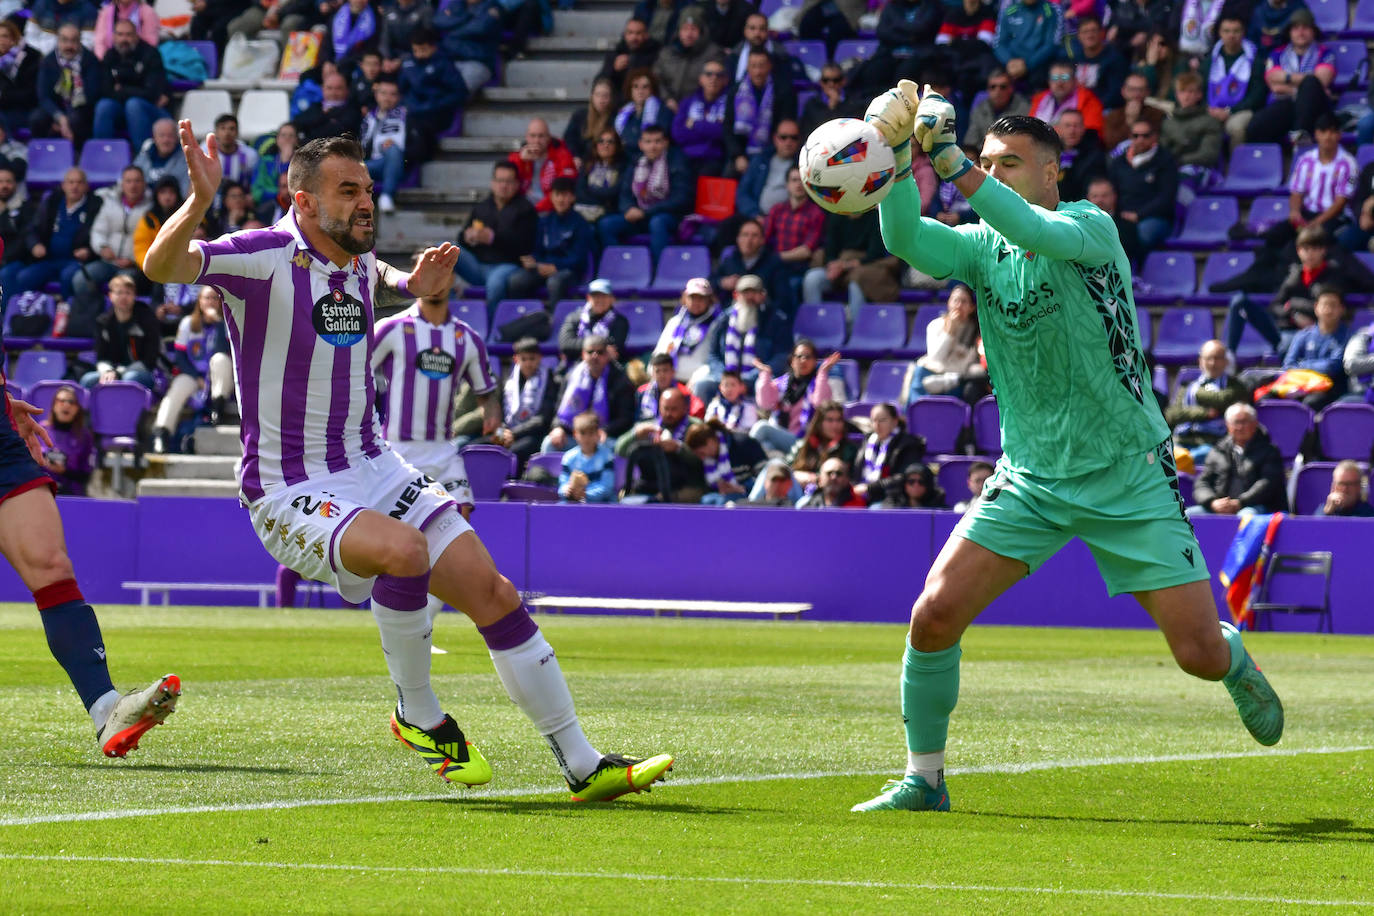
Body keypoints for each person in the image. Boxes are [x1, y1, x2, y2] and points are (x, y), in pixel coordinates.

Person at [144, 125, 672, 799]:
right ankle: (417, 712)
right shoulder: (264, 255)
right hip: (287, 486)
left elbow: (383, 277)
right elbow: (161, 268)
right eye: (348, 190)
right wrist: (197, 199)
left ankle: (582, 762)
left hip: (374, 464)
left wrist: (414, 281)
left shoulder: (356, 260)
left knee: (495, 594)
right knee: (402, 550)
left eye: (368, 187)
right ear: (303, 202)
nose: (367, 201)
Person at [849, 91, 1282, 814]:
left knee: (1199, 657)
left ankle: (1235, 657)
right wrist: (896, 159)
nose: (996, 174)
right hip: (1031, 479)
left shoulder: (1088, 226)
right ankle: (924, 780)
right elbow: (904, 241)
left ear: (1052, 173)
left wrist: (951, 162)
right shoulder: (984, 247)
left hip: (1128, 474)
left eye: (1009, 164)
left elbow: (1032, 229)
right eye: (989, 163)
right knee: (933, 615)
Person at [2, 167, 100, 310]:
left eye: (79, 182)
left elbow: (100, 234)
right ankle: (23, 317)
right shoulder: (52, 201)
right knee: (25, 277)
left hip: (75, 261)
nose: (75, 186)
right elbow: (32, 229)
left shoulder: (94, 205)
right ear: (63, 185)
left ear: (86, 186)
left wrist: (89, 250)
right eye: (71, 182)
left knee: (68, 277)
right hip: (49, 259)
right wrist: (35, 245)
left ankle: (66, 317)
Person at [151, 286, 234, 452]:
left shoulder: (226, 323)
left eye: (214, 298)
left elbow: (222, 350)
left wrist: (217, 323)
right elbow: (180, 357)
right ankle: (162, 433)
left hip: (218, 378)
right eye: (206, 298)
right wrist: (197, 377)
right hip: (193, 373)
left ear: (220, 302)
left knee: (221, 360)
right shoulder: (188, 322)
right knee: (178, 388)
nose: (210, 302)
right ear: (200, 301)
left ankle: (216, 409)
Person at [456, 160, 537, 320]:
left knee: (495, 284)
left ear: (516, 184)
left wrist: (493, 238)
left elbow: (526, 246)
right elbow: (462, 238)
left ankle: (493, 327)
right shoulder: (482, 207)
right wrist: (467, 237)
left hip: (507, 265)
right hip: (477, 266)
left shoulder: (526, 209)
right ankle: (448, 310)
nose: (503, 186)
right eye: (500, 181)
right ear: (493, 183)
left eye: (508, 181)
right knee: (441, 250)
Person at [600, 124, 692, 264]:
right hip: (639, 216)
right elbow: (625, 193)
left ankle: (658, 270)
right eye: (648, 142)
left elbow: (681, 198)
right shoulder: (636, 162)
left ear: (665, 143)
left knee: (657, 222)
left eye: (657, 141)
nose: (652, 146)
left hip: (668, 216)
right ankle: (619, 266)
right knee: (606, 224)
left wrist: (646, 212)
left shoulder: (677, 161)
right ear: (641, 144)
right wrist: (628, 208)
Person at [1244, 9, 1335, 145]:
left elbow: (1320, 81)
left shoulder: (1325, 53)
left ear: (1313, 31)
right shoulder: (1277, 54)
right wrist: (1305, 90)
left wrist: (1287, 79)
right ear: (1289, 32)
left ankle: (1300, 134)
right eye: (1296, 28)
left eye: (1305, 28)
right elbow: (1272, 81)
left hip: (1316, 108)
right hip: (1285, 105)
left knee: (1311, 82)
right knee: (1255, 127)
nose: (1301, 32)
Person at [698, 274, 791, 398]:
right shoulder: (724, 319)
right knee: (703, 385)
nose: (749, 297)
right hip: (726, 379)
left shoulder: (776, 320)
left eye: (754, 292)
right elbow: (713, 355)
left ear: (763, 295)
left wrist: (749, 377)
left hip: (758, 379)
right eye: (745, 292)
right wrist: (724, 376)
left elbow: (781, 357)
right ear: (736, 295)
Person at [508, 176, 593, 306]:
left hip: (569, 270)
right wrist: (533, 262)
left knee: (554, 282)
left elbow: (578, 258)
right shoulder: (545, 221)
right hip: (543, 267)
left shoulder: (580, 224)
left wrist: (556, 266)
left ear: (572, 198)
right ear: (551, 197)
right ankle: (523, 317)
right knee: (516, 280)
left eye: (565, 195)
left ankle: (555, 320)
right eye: (557, 195)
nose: (560, 200)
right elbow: (538, 250)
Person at [1164, 339, 1252, 465]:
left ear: (1226, 362)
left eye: (1217, 358)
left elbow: (1221, 401)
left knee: (1184, 461)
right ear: (1200, 361)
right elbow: (1172, 415)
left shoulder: (1235, 387)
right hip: (1182, 440)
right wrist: (1204, 412)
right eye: (1208, 358)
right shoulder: (1188, 386)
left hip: (1213, 443)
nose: (1212, 363)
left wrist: (1197, 394)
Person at [545, 334, 637, 452]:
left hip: (604, 438)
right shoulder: (571, 377)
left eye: (600, 352)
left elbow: (625, 418)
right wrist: (558, 427)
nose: (595, 356)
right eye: (590, 352)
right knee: (550, 443)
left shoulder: (620, 380)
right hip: (575, 436)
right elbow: (558, 409)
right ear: (583, 354)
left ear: (607, 355)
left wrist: (605, 430)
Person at [1190, 403, 1287, 515]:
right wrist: (1212, 502)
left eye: (1245, 422)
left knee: (1245, 517)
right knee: (1187, 516)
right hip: (1219, 507)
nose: (1240, 427)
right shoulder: (1217, 451)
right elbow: (1202, 482)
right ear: (1228, 425)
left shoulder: (1269, 451)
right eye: (1236, 422)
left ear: (1255, 424)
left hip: (1255, 506)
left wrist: (1240, 502)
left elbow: (1267, 484)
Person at [1266, 286, 1351, 411]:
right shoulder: (1303, 335)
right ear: (1316, 307)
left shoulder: (1347, 337)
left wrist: (1302, 365)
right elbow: (1288, 365)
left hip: (1328, 387)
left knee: (1310, 403)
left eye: (1333, 305)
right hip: (1300, 384)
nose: (1328, 309)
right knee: (1267, 397)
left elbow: (1332, 366)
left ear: (1342, 309)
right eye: (1324, 305)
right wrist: (1312, 368)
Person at [615, 386, 705, 501]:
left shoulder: (695, 427)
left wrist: (679, 448)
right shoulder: (649, 426)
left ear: (684, 408)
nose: (669, 413)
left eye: (674, 409)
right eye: (665, 408)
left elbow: (703, 459)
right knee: (624, 497)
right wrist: (635, 434)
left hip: (686, 486)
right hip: (651, 484)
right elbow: (619, 449)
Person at [92, 17, 168, 151]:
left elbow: (152, 94)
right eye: (120, 34)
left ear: (136, 36)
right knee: (104, 106)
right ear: (114, 36)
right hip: (119, 108)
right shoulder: (110, 55)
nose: (124, 39)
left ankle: (143, 156)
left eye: (128, 34)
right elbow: (104, 91)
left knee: (133, 105)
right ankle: (103, 154)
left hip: (148, 109)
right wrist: (134, 90)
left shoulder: (150, 54)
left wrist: (122, 89)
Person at [752, 340, 838, 456]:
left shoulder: (818, 384)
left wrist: (822, 372)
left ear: (814, 362)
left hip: (802, 441)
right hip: (780, 436)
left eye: (808, 357)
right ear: (792, 361)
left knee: (761, 427)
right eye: (799, 356)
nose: (803, 360)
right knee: (767, 446)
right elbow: (765, 404)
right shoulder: (781, 383)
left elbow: (821, 405)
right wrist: (765, 373)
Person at [907, 283, 989, 403]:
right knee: (919, 374)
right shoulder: (935, 325)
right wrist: (950, 331)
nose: (958, 305)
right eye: (955, 300)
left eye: (964, 301)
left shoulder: (978, 330)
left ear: (972, 307)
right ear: (948, 303)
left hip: (959, 377)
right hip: (932, 373)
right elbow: (936, 358)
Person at [1106, 119, 1178, 254]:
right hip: (1122, 216)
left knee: (1143, 233)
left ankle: (1138, 270)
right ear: (1130, 137)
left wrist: (1139, 214)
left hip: (1154, 217)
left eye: (1145, 135)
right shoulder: (1119, 162)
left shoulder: (1165, 161)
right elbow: (1112, 191)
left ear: (1155, 137)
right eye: (1135, 136)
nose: (1140, 139)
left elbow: (1166, 198)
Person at [81, 274, 162, 390]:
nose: (124, 297)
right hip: (113, 370)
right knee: (88, 379)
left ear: (135, 296)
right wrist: (108, 371)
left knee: (129, 378)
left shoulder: (147, 320)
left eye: (128, 293)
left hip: (144, 372)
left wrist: (118, 373)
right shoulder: (102, 322)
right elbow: (101, 357)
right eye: (119, 293)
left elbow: (149, 361)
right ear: (110, 296)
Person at [724, 49, 797, 176]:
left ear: (770, 66)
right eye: (753, 66)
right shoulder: (735, 92)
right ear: (747, 67)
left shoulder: (783, 91)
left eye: (761, 66)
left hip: (771, 151)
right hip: (742, 152)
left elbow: (786, 127)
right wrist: (738, 155)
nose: (757, 72)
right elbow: (727, 128)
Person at [31, 23, 101, 146]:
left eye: (73, 41)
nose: (69, 45)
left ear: (80, 42)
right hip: (56, 108)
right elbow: (43, 96)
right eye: (65, 40)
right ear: (58, 41)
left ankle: (78, 156)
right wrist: (60, 118)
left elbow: (92, 95)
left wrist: (67, 118)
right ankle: (41, 153)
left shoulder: (90, 61)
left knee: (76, 120)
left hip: (81, 108)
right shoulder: (48, 61)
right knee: (37, 118)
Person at [1206, 16, 1268, 150]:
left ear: (1243, 33)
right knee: (1201, 123)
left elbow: (1257, 95)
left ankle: (1235, 167)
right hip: (1212, 109)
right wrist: (1209, 109)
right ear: (1220, 33)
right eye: (1226, 31)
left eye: (1236, 31)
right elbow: (1200, 87)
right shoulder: (1211, 59)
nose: (1231, 35)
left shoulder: (1254, 60)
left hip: (1242, 110)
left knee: (1236, 128)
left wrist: (1230, 111)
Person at [495, 337, 559, 464]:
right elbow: (500, 413)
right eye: (524, 359)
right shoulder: (508, 380)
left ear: (540, 358)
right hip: (507, 432)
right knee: (484, 447)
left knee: (512, 453)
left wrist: (513, 433)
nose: (528, 363)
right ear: (516, 359)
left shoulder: (549, 380)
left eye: (532, 358)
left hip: (534, 435)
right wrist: (501, 434)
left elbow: (542, 419)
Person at [854, 402, 926, 504]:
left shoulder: (907, 444)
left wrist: (870, 488)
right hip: (862, 495)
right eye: (874, 420)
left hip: (891, 498)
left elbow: (903, 477)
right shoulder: (868, 440)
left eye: (882, 420)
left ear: (895, 421)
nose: (877, 425)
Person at [655, 277, 719, 388]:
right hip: (670, 379)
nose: (696, 302)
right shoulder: (676, 321)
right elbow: (660, 352)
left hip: (697, 382)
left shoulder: (716, 324)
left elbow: (715, 359)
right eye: (692, 298)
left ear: (709, 300)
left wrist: (698, 378)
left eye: (701, 298)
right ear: (685, 298)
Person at [684, 418, 767, 504]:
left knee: (723, 502)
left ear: (710, 442)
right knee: (706, 501)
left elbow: (765, 476)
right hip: (725, 495)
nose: (702, 458)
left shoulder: (744, 444)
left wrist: (742, 487)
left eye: (702, 453)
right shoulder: (708, 461)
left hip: (751, 496)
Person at [653, 13, 724, 113]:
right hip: (666, 105)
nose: (689, 34)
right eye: (685, 29)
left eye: (693, 29)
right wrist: (667, 99)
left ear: (701, 32)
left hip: (699, 107)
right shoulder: (666, 53)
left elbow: (717, 82)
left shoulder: (713, 53)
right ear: (678, 32)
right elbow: (656, 78)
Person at [507, 117, 579, 214]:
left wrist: (535, 210)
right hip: (522, 209)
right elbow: (507, 181)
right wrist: (520, 160)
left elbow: (564, 190)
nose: (536, 140)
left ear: (548, 137)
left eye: (541, 136)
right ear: (527, 137)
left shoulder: (563, 156)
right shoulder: (518, 157)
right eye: (533, 136)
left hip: (551, 210)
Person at [670, 60, 730, 173]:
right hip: (686, 158)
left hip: (715, 159)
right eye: (708, 74)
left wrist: (695, 124)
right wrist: (711, 129)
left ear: (725, 80)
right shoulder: (687, 102)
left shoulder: (730, 104)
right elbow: (677, 133)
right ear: (701, 79)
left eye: (719, 75)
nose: (714, 78)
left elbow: (724, 133)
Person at [1056, 14, 1126, 109]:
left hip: (1103, 109)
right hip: (1076, 108)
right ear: (1079, 36)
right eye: (1085, 32)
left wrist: (1091, 108)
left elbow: (1115, 94)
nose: (1089, 35)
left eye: (1093, 31)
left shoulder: (1115, 59)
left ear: (1102, 33)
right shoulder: (1075, 58)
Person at [360, 78, 407, 215]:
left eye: (392, 94)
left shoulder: (406, 114)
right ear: (376, 95)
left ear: (399, 97)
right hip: (372, 163)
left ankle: (387, 195)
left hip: (399, 161)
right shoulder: (369, 117)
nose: (387, 98)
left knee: (393, 150)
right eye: (384, 93)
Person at [558, 278, 629, 366]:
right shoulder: (574, 317)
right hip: (574, 365)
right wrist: (599, 347)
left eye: (604, 296)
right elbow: (566, 344)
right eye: (596, 296)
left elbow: (614, 349)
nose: (600, 300)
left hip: (606, 368)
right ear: (588, 298)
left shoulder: (619, 321)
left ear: (612, 299)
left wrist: (581, 346)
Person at [992, 0, 1063, 89]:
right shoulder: (1009, 11)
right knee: (994, 76)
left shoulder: (1051, 11)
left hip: (1037, 63)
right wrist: (1009, 61)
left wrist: (1027, 64)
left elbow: (1051, 45)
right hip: (1011, 63)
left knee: (1042, 74)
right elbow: (999, 43)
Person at [39, 384, 95, 496]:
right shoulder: (40, 430)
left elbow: (86, 475)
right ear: (54, 405)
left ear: (77, 408)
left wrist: (64, 471)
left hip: (71, 494)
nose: (66, 405)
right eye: (61, 401)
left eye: (71, 402)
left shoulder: (84, 436)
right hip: (41, 492)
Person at [1030, 61, 1104, 135]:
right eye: (1055, 78)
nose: (1059, 83)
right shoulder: (1040, 99)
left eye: (1065, 77)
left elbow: (1090, 137)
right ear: (1049, 81)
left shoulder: (1088, 101)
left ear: (1075, 81)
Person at [558, 410, 618, 503]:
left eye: (591, 433)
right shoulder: (569, 458)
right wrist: (566, 491)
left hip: (601, 504)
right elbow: (563, 483)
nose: (587, 438)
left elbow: (607, 487)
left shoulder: (606, 456)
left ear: (598, 434)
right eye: (582, 433)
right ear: (575, 434)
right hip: (575, 502)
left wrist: (586, 495)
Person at [964, 69, 1030, 149]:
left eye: (1003, 87)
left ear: (1011, 89)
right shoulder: (979, 109)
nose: (997, 91)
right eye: (993, 87)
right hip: (983, 156)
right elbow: (970, 143)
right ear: (987, 90)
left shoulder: (1024, 109)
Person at [294, 70, 364, 144]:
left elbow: (343, 130)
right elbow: (298, 123)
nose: (333, 92)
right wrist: (325, 117)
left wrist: (316, 124)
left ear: (347, 90)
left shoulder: (354, 109)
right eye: (329, 88)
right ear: (323, 89)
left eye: (338, 88)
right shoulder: (315, 106)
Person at [1053, 109, 1107, 204]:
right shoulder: (1050, 153)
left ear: (1083, 128)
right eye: (1067, 126)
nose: (1072, 131)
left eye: (1076, 126)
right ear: (1058, 129)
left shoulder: (1095, 155)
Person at [574, 128, 627, 223]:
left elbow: (613, 193)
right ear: (596, 145)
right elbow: (580, 190)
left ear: (617, 146)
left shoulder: (624, 166)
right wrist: (597, 195)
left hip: (610, 210)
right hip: (587, 207)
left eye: (610, 142)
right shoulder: (588, 164)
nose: (605, 145)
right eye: (601, 141)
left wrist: (591, 190)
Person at [0, 20, 41, 139]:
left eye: (5, 36)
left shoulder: (32, 57)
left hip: (26, 110)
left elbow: (31, 94)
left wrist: (3, 96)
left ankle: (11, 149)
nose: (1, 41)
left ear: (15, 38)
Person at [1100, 72, 1163, 149]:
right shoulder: (1113, 116)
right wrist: (1130, 122)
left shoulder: (1157, 114)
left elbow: (1155, 141)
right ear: (1123, 91)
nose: (1137, 94)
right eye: (1132, 89)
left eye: (1141, 89)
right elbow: (1110, 144)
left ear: (1147, 92)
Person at [800, 63, 863, 139]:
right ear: (821, 82)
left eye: (835, 80)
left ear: (843, 81)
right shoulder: (811, 105)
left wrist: (835, 107)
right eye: (826, 80)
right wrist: (831, 108)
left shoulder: (854, 103)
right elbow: (808, 132)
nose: (831, 84)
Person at [614, 68, 671, 151]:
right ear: (630, 90)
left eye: (645, 87)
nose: (640, 91)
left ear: (652, 90)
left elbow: (657, 139)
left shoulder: (663, 111)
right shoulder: (624, 113)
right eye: (635, 86)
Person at [565, 77, 616, 166]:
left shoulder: (616, 119)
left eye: (605, 96)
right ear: (592, 96)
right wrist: (575, 156)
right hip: (580, 164)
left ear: (611, 98)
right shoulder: (579, 116)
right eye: (598, 95)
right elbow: (569, 139)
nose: (601, 100)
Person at [596, 17, 660, 88]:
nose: (634, 37)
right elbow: (599, 80)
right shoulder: (615, 54)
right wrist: (614, 69)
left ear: (646, 35)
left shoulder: (656, 54)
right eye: (630, 33)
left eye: (638, 33)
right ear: (625, 34)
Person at [135, 117, 191, 196]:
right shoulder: (145, 155)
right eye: (162, 135)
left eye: (170, 136)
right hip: (143, 205)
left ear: (177, 138)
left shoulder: (186, 160)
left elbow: (184, 193)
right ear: (154, 137)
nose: (166, 140)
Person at [203, 114, 259, 190]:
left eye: (232, 129)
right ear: (216, 132)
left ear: (237, 132)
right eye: (223, 128)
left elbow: (255, 183)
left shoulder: (250, 155)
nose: (227, 133)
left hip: (240, 197)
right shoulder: (205, 152)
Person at [796, 455, 866, 507]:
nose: (834, 477)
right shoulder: (809, 505)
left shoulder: (857, 506)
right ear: (820, 480)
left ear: (847, 479)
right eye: (829, 473)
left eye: (839, 473)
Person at [880, 462, 947, 509]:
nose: (916, 485)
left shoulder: (937, 506)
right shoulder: (893, 502)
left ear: (928, 485)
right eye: (911, 481)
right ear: (904, 484)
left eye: (921, 482)